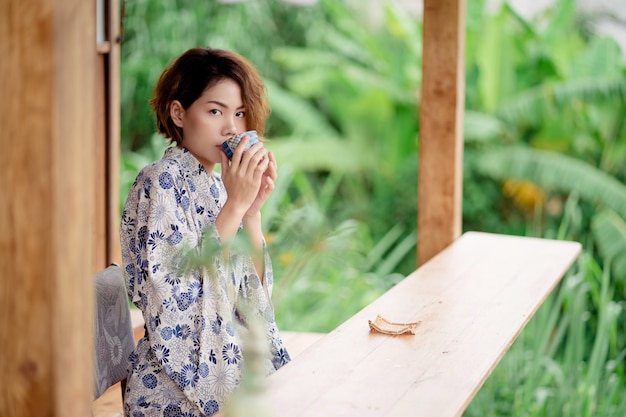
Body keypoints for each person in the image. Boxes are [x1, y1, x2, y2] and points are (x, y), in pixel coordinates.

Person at [119, 47, 291, 417]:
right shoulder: (159, 181)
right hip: (172, 389)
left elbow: (253, 298)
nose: (231, 128)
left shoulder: (218, 186)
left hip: (229, 367)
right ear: (178, 113)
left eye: (241, 113)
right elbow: (175, 301)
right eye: (215, 111)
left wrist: (251, 213)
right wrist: (234, 207)